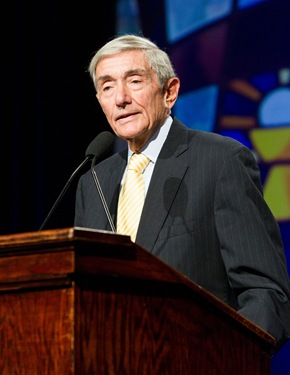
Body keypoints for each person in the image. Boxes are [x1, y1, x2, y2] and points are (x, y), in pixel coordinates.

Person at [74, 33, 290, 350]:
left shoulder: (220, 161)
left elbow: (265, 292)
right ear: (100, 102)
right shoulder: (92, 183)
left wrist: (227, 358)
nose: (120, 98)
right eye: (107, 87)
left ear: (170, 92)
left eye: (134, 81)